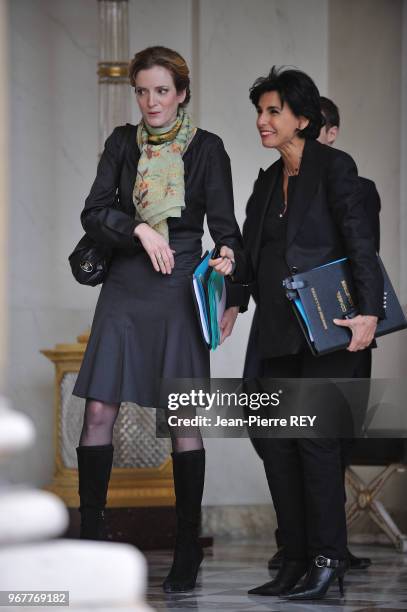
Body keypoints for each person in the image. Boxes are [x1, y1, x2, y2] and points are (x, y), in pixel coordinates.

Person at [72, 46, 246, 593]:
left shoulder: (208, 149)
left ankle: (187, 548)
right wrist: (140, 230)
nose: (151, 101)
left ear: (182, 93)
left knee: (182, 415)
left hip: (181, 282)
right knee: (99, 405)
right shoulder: (122, 143)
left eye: (162, 91)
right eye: (143, 91)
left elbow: (228, 231)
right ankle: (93, 542)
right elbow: (95, 210)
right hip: (126, 278)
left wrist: (228, 269)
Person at [243, 67, 383, 600]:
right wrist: (230, 301)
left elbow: (360, 244)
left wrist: (368, 313)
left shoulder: (334, 168)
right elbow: (253, 256)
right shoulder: (265, 179)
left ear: (303, 119)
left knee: (315, 439)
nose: (262, 120)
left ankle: (329, 557)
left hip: (331, 329)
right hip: (276, 328)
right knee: (275, 440)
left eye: (273, 111)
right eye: (260, 111)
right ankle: (296, 557)